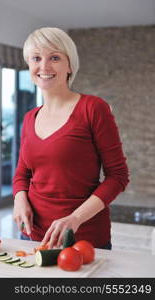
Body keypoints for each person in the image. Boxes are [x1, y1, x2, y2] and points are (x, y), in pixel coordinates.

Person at [12, 27, 129, 250]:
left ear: (69, 65)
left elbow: (118, 176)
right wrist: (19, 200)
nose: (44, 66)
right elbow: (22, 173)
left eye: (54, 57)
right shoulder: (29, 118)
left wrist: (74, 219)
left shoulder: (93, 108)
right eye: (36, 58)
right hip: (32, 235)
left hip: (83, 238)